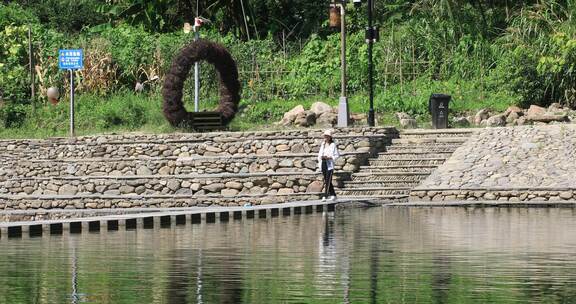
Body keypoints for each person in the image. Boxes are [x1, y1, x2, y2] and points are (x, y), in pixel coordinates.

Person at [318, 129, 339, 201]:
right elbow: (320, 154)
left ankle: (325, 196)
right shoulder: (323, 144)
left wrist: (330, 157)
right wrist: (321, 157)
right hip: (323, 163)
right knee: (328, 180)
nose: (326, 138)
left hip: (329, 164)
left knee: (327, 180)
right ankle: (333, 195)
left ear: (330, 137)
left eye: (327, 136)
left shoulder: (333, 145)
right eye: (325, 136)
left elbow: (336, 155)